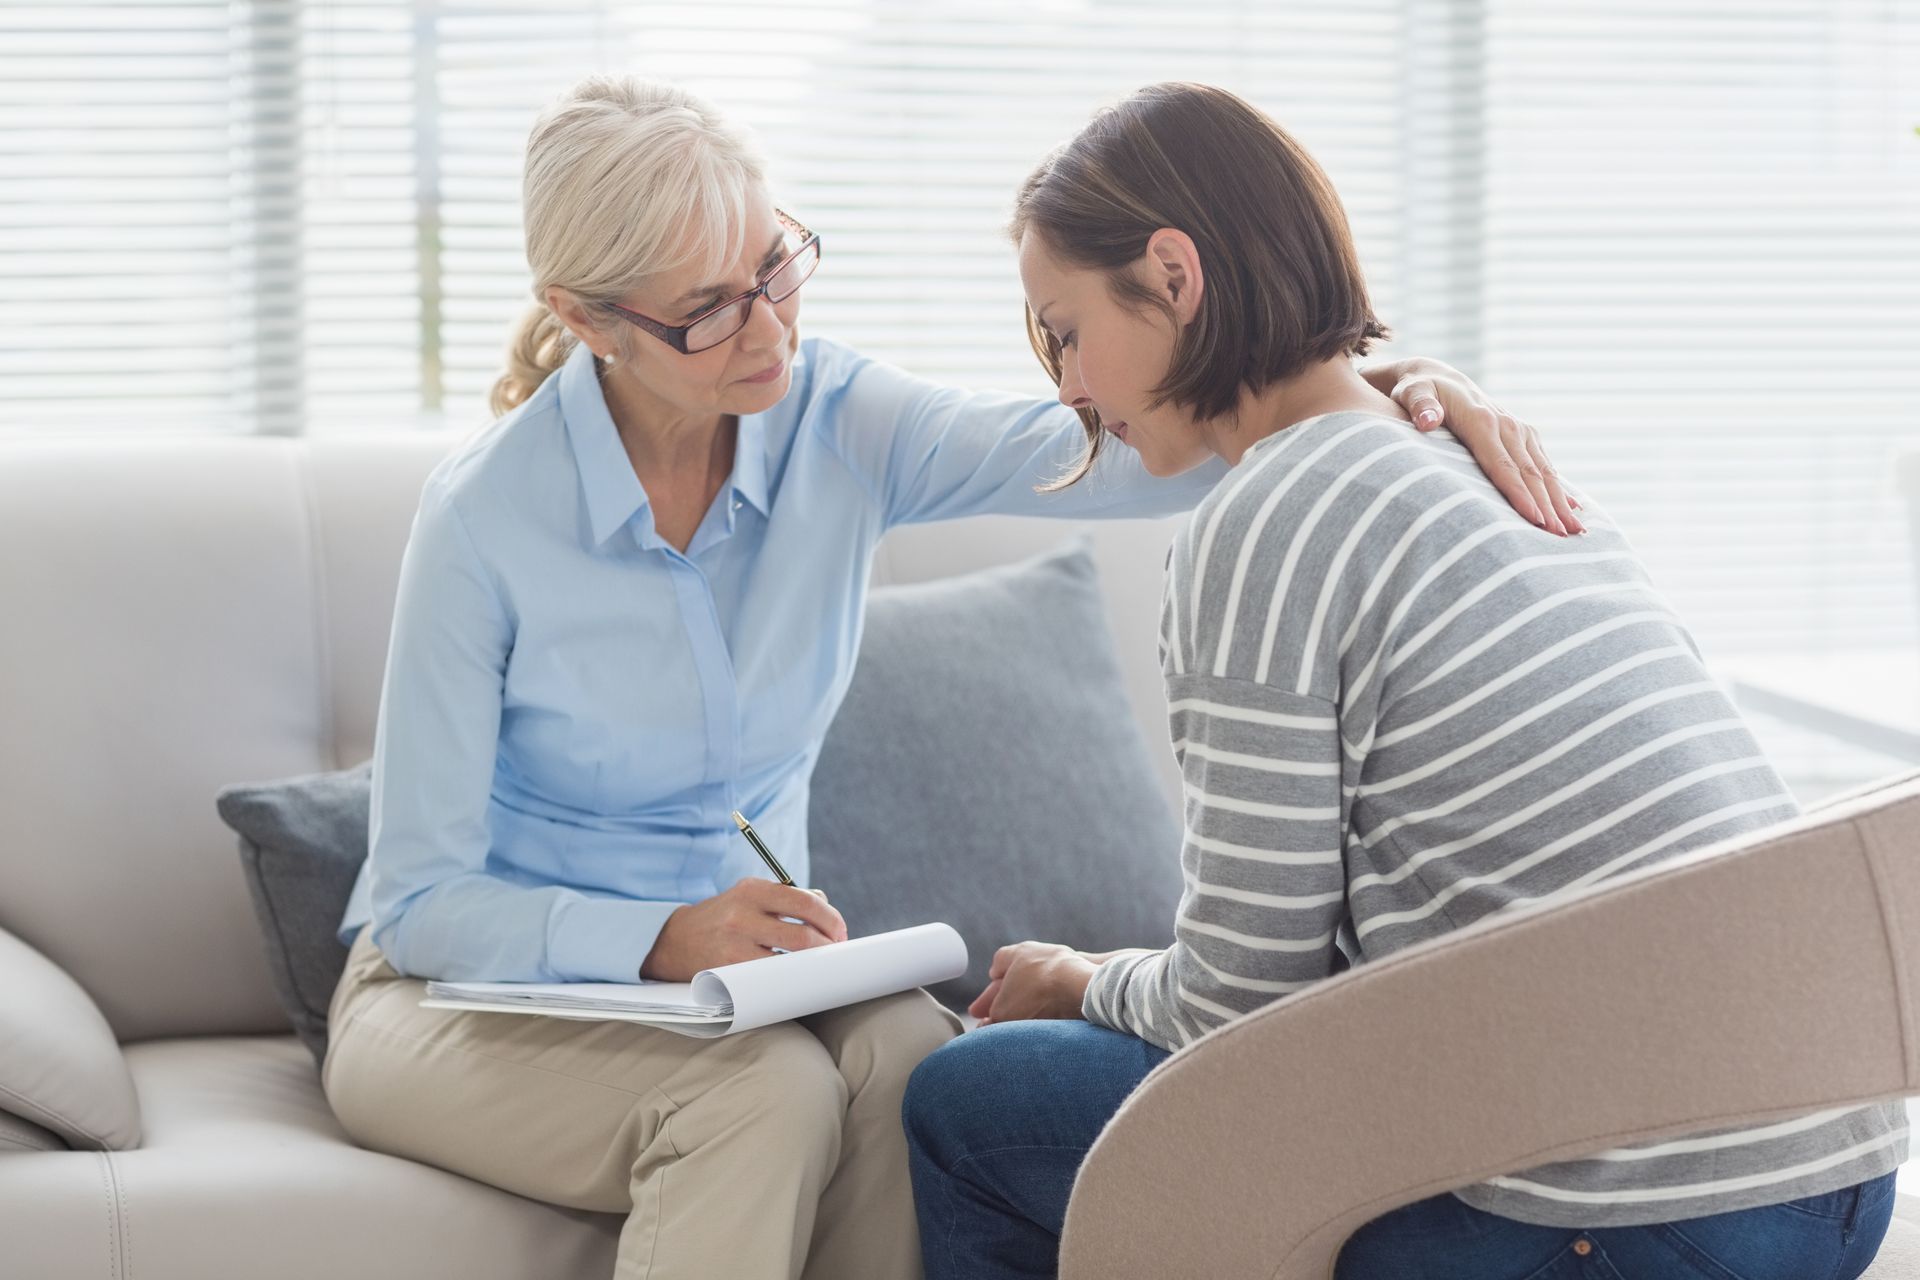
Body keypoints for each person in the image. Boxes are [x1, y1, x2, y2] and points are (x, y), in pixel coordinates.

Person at [319, 75, 1571, 1280]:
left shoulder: (835, 419)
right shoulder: (486, 519)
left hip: (734, 989)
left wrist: (1393, 388)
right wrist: (657, 935)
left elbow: (1147, 438)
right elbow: (421, 897)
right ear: (588, 318)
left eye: (774, 268)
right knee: (758, 1099)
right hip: (456, 1001)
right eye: (709, 308)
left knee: (919, 1061)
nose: (769, 329)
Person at [901, 81, 1906, 1280]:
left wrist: (1081, 979)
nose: (1066, 386)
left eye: (1063, 330)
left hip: (1639, 1209)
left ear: (1173, 276)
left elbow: (1237, 1006)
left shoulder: (1264, 521)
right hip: (1839, 1168)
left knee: (966, 1101)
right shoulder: (1477, 455)